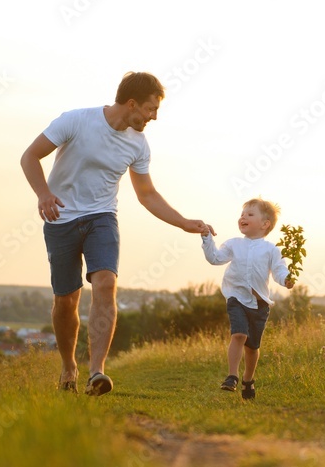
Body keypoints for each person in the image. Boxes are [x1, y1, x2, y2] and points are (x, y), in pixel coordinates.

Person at [20, 71, 212, 396]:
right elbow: (30, 156)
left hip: (101, 217)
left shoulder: (139, 144)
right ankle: (69, 365)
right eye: (151, 108)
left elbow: (147, 194)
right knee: (66, 301)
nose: (155, 116)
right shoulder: (76, 121)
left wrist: (183, 222)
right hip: (60, 218)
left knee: (106, 283)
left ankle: (97, 372)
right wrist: (43, 194)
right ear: (133, 103)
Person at [201, 198, 294, 400]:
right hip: (236, 297)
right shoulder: (234, 244)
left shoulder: (271, 249)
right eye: (242, 214)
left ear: (265, 224)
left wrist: (287, 280)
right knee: (239, 335)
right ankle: (232, 376)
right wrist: (207, 237)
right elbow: (214, 258)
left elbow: (279, 271)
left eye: (250, 214)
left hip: (259, 304)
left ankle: (248, 379)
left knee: (252, 347)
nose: (243, 217)